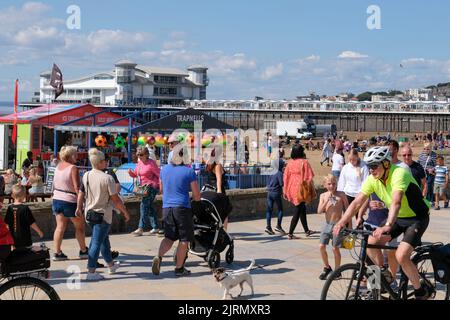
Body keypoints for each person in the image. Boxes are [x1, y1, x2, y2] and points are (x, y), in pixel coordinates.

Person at [333, 146, 433, 300]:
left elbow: (396, 201)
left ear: (386, 164)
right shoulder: (373, 179)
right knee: (371, 242)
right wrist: (341, 222)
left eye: (374, 166)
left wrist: (387, 225)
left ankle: (421, 290)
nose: (371, 170)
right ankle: (383, 273)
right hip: (399, 217)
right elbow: (356, 203)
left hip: (417, 218)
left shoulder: (399, 173)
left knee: (401, 255)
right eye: (369, 166)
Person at [77, 148, 130, 281]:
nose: (107, 162)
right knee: (96, 242)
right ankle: (91, 271)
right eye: (105, 161)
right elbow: (116, 199)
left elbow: (81, 193)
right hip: (103, 215)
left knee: (103, 241)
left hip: (89, 213)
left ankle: (111, 265)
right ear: (100, 162)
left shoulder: (86, 175)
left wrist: (78, 207)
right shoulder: (108, 178)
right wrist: (124, 212)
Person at [151, 145, 201, 277]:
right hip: (182, 208)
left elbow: (161, 190)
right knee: (184, 240)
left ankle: (159, 256)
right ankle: (179, 268)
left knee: (169, 238)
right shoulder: (189, 171)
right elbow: (197, 196)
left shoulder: (164, 170)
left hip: (167, 208)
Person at [52, 146, 88, 261]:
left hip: (57, 198)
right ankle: (83, 250)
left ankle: (57, 252)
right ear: (71, 156)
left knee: (60, 227)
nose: (77, 156)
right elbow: (77, 187)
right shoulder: (73, 168)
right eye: (76, 154)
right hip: (70, 199)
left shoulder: (58, 166)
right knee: (80, 227)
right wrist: (80, 203)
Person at [317, 174, 349, 280]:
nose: (332, 186)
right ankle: (327, 267)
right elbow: (319, 211)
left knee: (335, 248)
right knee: (321, 246)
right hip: (327, 224)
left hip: (337, 224)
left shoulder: (341, 195)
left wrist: (349, 226)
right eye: (329, 184)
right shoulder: (323, 195)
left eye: (334, 184)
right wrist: (327, 200)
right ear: (325, 185)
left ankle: (337, 270)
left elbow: (348, 210)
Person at [283, 144, 316, 239]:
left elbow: (285, 177)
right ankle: (290, 233)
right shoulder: (304, 162)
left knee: (302, 209)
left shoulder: (290, 162)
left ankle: (306, 230)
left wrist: (285, 190)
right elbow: (309, 177)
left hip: (291, 187)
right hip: (301, 188)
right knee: (298, 210)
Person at [128, 146, 160, 236]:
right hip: (143, 188)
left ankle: (140, 228)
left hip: (151, 187)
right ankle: (155, 227)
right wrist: (131, 173)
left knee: (143, 205)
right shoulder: (139, 163)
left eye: (141, 155)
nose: (139, 156)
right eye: (138, 155)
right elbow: (136, 174)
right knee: (149, 207)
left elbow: (159, 175)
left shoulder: (151, 163)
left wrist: (158, 186)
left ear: (146, 154)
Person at [4, 185, 44, 249]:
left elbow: (6, 223)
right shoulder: (25, 208)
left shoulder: (10, 208)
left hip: (13, 237)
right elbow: (31, 222)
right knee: (25, 254)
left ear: (12, 196)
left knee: (16, 253)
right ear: (24, 195)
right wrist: (39, 231)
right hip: (25, 238)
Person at [265, 160, 285, 235]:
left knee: (269, 210)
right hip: (276, 193)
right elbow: (281, 183)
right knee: (280, 210)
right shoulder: (279, 173)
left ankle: (268, 227)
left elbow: (268, 182)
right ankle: (278, 226)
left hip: (269, 192)